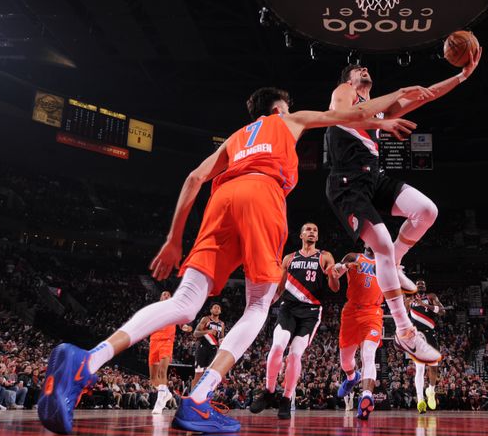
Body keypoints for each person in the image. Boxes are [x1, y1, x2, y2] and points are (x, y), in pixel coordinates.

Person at [37, 84, 427, 435]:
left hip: (221, 201)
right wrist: (386, 118)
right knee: (259, 305)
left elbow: (193, 178)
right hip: (263, 195)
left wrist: (175, 239)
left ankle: (88, 360)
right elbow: (348, 116)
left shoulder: (236, 138)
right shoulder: (287, 119)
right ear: (278, 108)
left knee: (184, 302)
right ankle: (199, 398)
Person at [325, 50, 481, 364]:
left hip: (374, 178)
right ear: (349, 80)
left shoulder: (379, 110)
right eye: (358, 68)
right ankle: (405, 331)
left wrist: (463, 75)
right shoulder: (343, 93)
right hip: (346, 183)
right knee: (380, 242)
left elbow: (429, 94)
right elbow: (348, 116)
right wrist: (396, 95)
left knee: (427, 211)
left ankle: (395, 261)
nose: (364, 68)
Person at [250, 222, 336, 419]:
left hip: (311, 311)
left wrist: (333, 275)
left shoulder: (325, 256)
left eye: (315, 230)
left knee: (295, 355)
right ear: (301, 235)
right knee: (278, 347)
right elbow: (279, 288)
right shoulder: (289, 258)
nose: (312, 232)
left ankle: (287, 398)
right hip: (288, 308)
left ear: (317, 236)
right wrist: (265, 305)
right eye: (308, 229)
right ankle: (269, 391)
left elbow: (334, 287)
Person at [328, 248, 384, 421]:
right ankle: (352, 377)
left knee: (368, 354)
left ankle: (366, 396)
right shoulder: (354, 256)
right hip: (351, 312)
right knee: (345, 362)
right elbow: (336, 273)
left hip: (373, 313)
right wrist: (342, 266)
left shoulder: (386, 262)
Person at [149, 291, 193, 414]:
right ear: (160, 297)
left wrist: (186, 328)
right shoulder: (154, 310)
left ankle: (159, 404)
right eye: (164, 294)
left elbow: (184, 325)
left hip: (167, 342)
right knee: (153, 379)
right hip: (153, 341)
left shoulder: (175, 311)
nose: (166, 295)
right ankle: (166, 393)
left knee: (163, 372)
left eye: (168, 294)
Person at [405, 279, 445, 414]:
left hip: (430, 334)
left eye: (423, 284)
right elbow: (403, 315)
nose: (420, 286)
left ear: (425, 287)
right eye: (418, 284)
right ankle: (420, 400)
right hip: (417, 336)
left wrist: (425, 305)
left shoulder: (431, 297)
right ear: (414, 287)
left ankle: (431, 391)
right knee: (420, 368)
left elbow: (442, 312)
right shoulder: (409, 299)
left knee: (433, 368)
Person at [192, 303, 225, 388]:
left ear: (220, 311)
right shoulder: (206, 319)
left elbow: (221, 338)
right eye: (215, 307)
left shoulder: (222, 324)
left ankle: (203, 397)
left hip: (213, 350)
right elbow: (195, 333)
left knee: (209, 376)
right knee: (198, 374)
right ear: (211, 310)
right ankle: (191, 397)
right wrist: (207, 332)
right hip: (203, 348)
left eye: (218, 308)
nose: (217, 309)